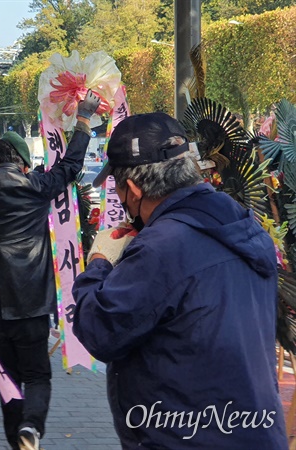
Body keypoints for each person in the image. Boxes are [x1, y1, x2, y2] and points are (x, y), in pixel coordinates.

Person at [72, 113, 288, 449]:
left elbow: (99, 330)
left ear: (132, 189)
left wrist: (100, 260)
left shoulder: (162, 248)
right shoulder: (243, 225)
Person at [0, 91, 101, 450]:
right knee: (38, 375)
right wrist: (84, 118)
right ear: (24, 165)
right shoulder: (36, 186)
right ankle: (32, 429)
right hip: (30, 304)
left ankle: (18, 441)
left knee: (7, 379)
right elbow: (71, 166)